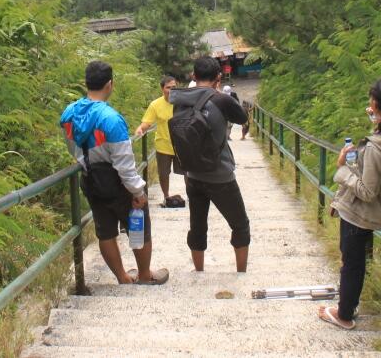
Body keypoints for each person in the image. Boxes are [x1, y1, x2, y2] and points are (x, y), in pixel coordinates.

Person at [319, 75, 381, 329]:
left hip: (358, 213)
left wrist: (342, 169)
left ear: (378, 105)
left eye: (372, 102)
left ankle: (344, 315)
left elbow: (367, 190)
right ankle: (350, 305)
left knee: (351, 263)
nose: (369, 106)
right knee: (358, 260)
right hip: (374, 212)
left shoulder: (377, 147)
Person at [61, 61, 169, 285]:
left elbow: (73, 148)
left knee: (105, 231)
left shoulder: (69, 114)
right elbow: (124, 164)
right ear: (109, 85)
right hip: (117, 184)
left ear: (86, 83)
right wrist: (137, 192)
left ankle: (122, 277)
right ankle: (145, 275)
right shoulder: (111, 119)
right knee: (139, 226)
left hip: (91, 180)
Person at [169, 56, 251, 273]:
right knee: (240, 225)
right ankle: (241, 273)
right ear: (219, 77)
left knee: (197, 226)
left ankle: (199, 272)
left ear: (193, 76)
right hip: (220, 175)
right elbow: (242, 118)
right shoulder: (221, 99)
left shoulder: (179, 100)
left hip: (193, 175)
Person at [135, 75, 185, 208]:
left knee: (188, 172)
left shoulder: (184, 102)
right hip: (163, 145)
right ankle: (166, 196)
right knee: (163, 173)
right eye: (168, 87)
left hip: (182, 144)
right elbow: (147, 122)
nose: (171, 90)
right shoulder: (155, 104)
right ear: (162, 89)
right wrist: (141, 129)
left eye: (174, 87)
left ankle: (192, 195)